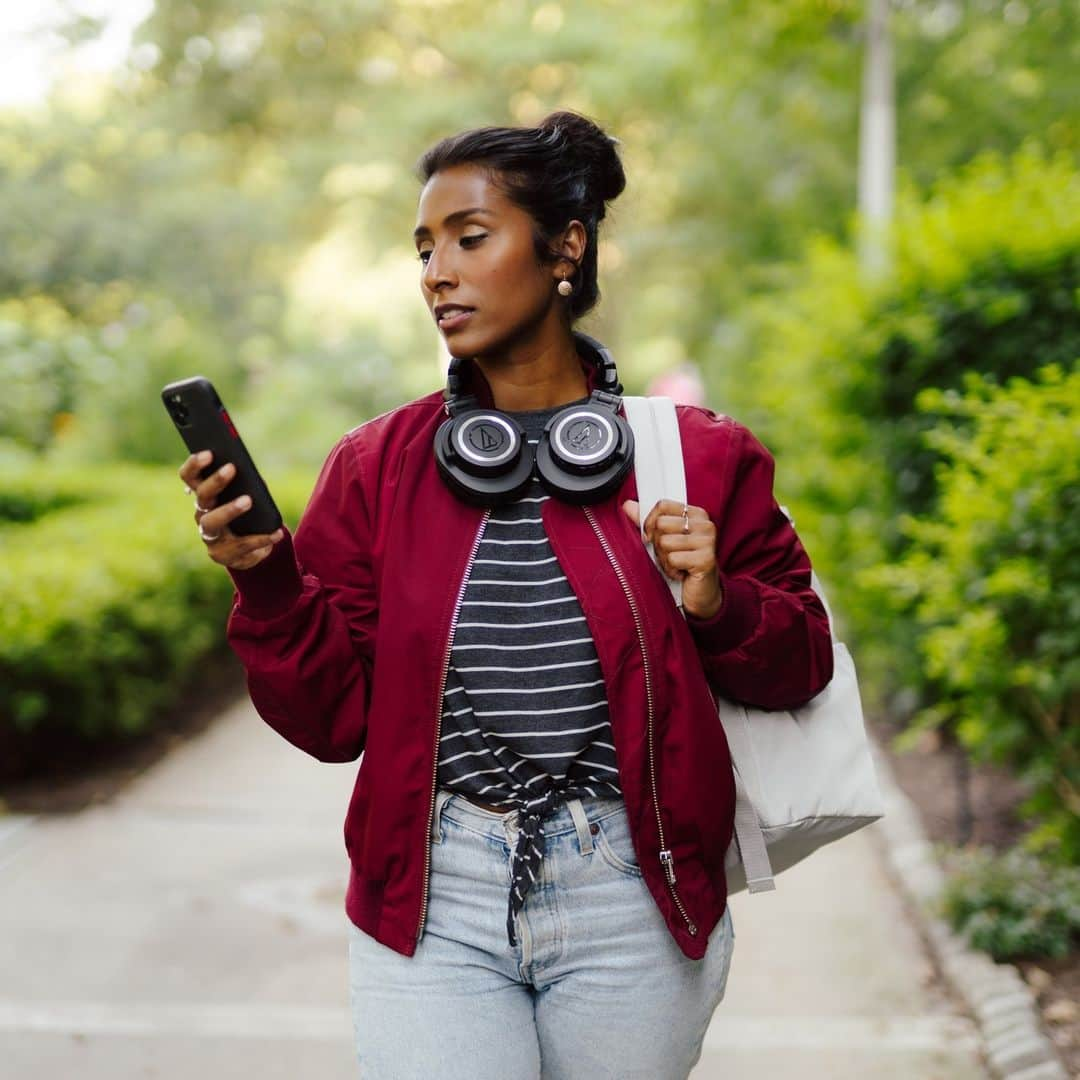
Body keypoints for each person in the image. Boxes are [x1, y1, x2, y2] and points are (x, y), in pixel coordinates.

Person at [177, 111, 833, 1080]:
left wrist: (718, 601)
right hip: (436, 890)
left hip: (631, 891)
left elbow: (802, 661)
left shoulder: (695, 456)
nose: (436, 272)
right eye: (425, 248)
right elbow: (333, 720)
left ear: (565, 247)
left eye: (470, 239)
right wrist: (266, 577)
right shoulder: (376, 468)